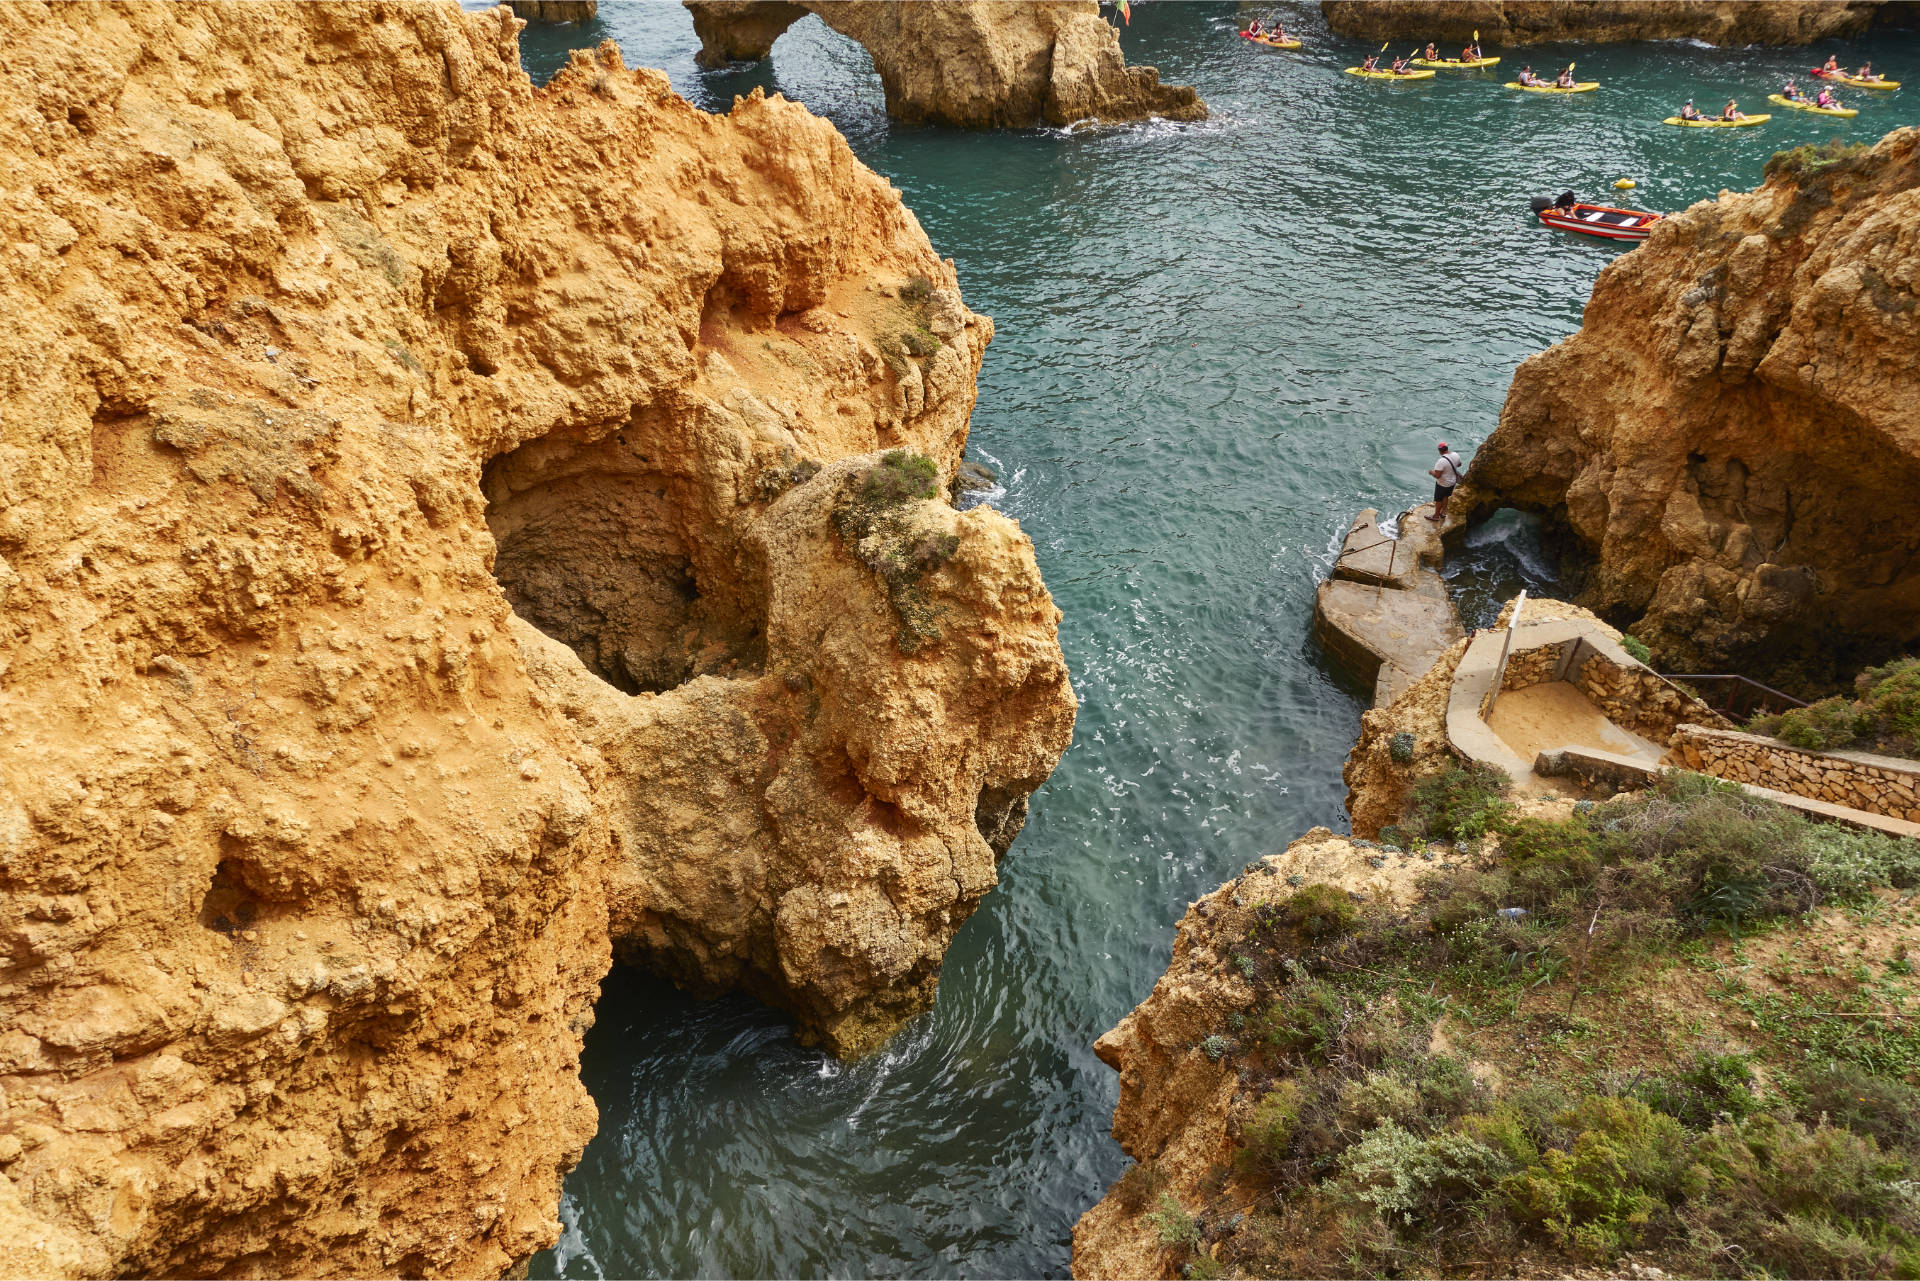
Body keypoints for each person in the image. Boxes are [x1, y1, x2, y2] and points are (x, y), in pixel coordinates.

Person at [1428, 442, 1467, 522]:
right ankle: (1443, 513)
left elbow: (1437, 475)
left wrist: (1431, 472)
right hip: (1452, 482)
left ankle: (1436, 516)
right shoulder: (1456, 455)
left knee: (1438, 500)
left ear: (1439, 451)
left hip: (1442, 484)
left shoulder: (1441, 461)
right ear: (1447, 448)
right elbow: (1459, 464)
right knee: (1446, 496)